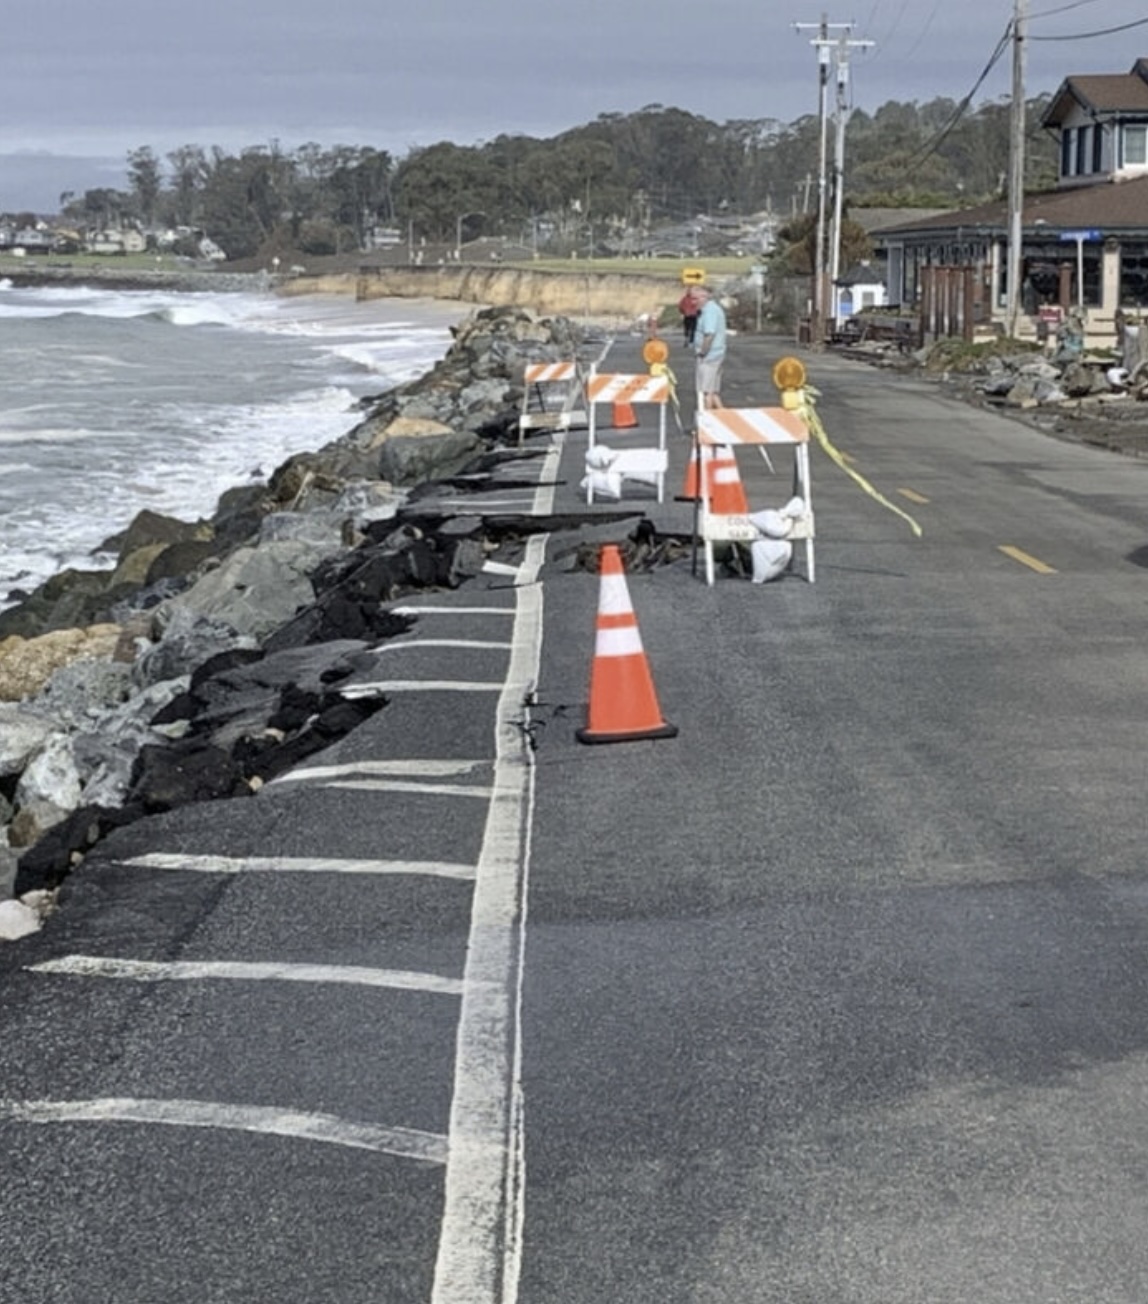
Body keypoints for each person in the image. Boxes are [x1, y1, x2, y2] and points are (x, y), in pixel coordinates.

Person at [692, 285, 727, 411]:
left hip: (709, 357)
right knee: (713, 392)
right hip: (716, 355)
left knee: (706, 392)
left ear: (704, 297)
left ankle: (708, 423)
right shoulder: (713, 309)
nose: (693, 302)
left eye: (695, 299)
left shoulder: (709, 311)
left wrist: (702, 352)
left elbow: (709, 334)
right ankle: (726, 420)